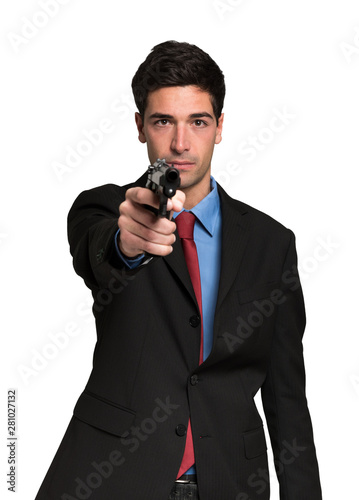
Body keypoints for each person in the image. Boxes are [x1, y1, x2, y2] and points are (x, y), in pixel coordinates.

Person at [35, 41, 322, 500]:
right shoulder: (105, 209)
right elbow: (102, 250)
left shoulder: (272, 244)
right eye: (163, 121)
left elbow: (287, 399)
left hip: (230, 482)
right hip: (111, 480)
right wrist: (128, 244)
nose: (181, 143)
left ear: (221, 127)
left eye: (198, 122)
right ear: (140, 126)